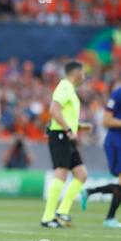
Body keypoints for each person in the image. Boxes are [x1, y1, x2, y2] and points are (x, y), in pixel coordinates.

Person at [40, 61, 92, 228]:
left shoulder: (70, 89)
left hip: (66, 135)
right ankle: (47, 218)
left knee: (81, 175)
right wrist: (68, 129)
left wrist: (80, 126)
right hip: (60, 135)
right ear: (76, 72)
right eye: (83, 72)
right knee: (61, 173)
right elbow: (54, 110)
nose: (84, 76)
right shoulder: (64, 86)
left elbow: (64, 114)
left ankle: (62, 211)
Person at [81, 80, 121, 228]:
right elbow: (106, 121)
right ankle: (109, 218)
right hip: (116, 142)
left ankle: (90, 191)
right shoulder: (118, 94)